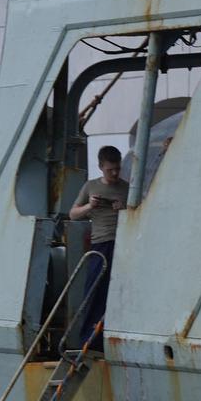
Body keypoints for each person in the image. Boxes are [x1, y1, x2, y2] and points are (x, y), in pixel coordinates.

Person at [69, 144, 129, 346]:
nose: (114, 173)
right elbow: (73, 214)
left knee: (118, 291)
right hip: (100, 244)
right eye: (109, 169)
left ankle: (112, 335)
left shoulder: (126, 187)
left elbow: (139, 211)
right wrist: (90, 206)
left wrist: (124, 209)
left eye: (117, 169)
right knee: (94, 290)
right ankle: (89, 338)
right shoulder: (90, 186)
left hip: (122, 243)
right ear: (101, 166)